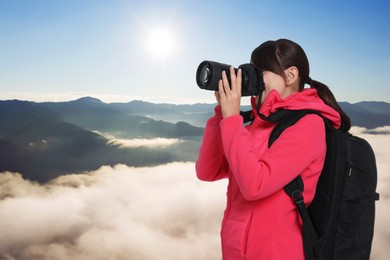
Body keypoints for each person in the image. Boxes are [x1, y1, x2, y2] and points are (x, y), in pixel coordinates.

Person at [195, 39, 350, 260]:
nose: (256, 79)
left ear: (290, 75)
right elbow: (208, 171)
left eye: (262, 71)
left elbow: (254, 185)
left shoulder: (309, 125)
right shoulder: (260, 124)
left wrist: (231, 119)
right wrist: (221, 114)